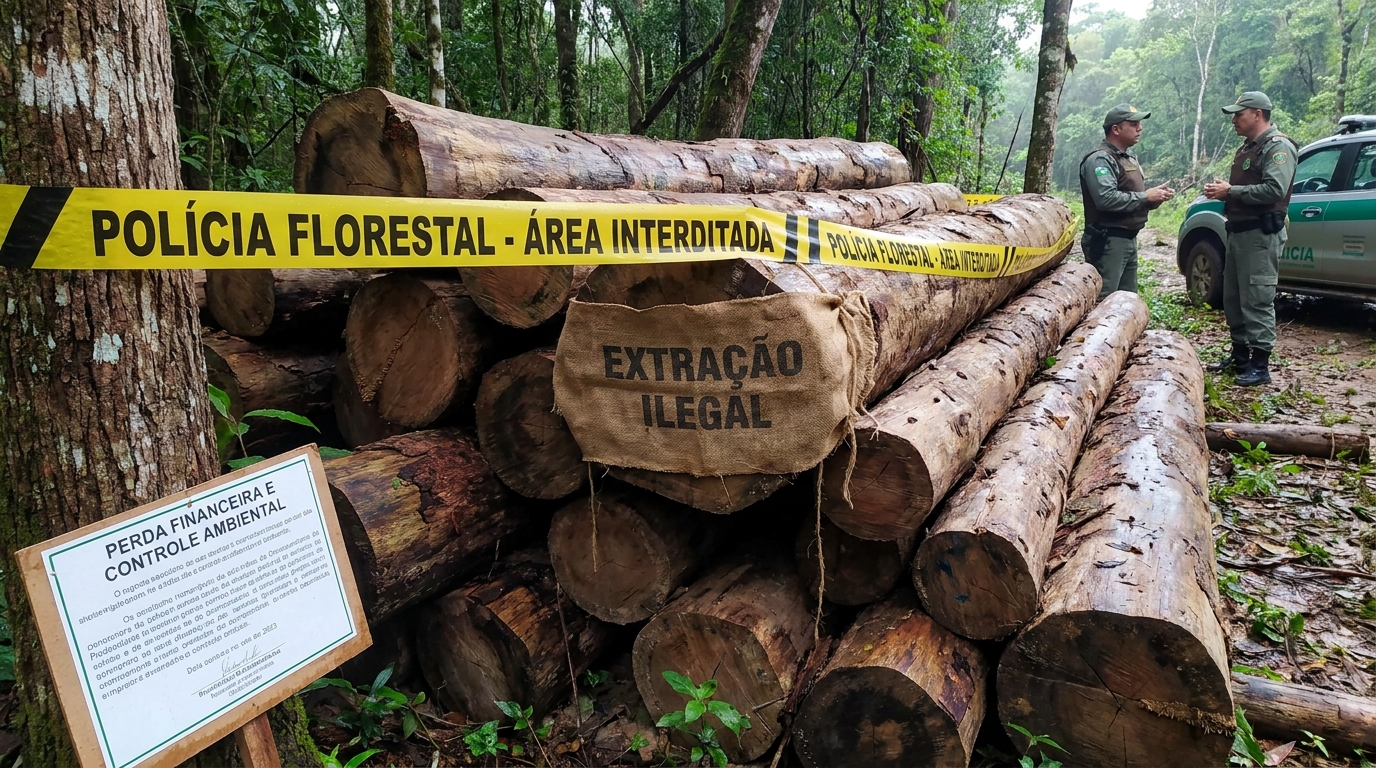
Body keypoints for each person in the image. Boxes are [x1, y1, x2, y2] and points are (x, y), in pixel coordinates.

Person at [1204, 91, 1297, 387]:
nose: (1234, 120)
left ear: (1257, 114)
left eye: (1238, 114)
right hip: (1239, 233)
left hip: (1260, 234)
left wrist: (1230, 191)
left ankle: (1260, 365)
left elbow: (1274, 189)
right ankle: (1241, 356)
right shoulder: (1248, 148)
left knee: (1257, 298)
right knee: (1233, 298)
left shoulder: (1277, 147)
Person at [1079, 104, 1176, 301]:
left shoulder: (1128, 158)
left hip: (1128, 238)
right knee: (1104, 301)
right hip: (1108, 240)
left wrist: (1154, 199)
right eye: (1133, 124)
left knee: (1125, 302)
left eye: (1139, 123)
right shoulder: (1101, 159)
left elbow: (1132, 198)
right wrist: (1145, 197)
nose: (1140, 128)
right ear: (1116, 129)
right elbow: (1106, 199)